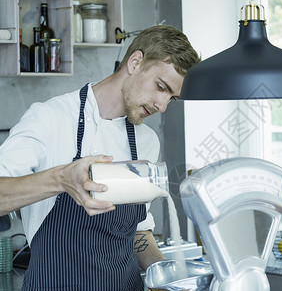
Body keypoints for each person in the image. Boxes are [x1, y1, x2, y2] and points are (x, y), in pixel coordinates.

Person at [0, 25, 200, 290]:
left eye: (171, 98)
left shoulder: (147, 142)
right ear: (135, 62)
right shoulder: (50, 118)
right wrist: (61, 179)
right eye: (160, 87)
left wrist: (164, 274)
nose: (161, 106)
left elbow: (137, 231)